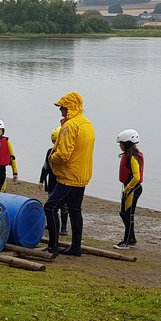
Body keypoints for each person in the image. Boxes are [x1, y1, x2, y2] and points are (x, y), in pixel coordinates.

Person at [44, 91, 95, 256]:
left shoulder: (70, 126)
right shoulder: (87, 124)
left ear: (69, 108)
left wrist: (52, 158)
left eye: (62, 107)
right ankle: (75, 247)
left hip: (69, 177)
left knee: (50, 208)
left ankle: (53, 246)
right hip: (82, 175)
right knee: (75, 210)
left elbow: (64, 154)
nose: (60, 111)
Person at [114, 129, 143, 250]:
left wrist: (128, 189)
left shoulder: (133, 158)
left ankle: (127, 241)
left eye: (121, 144)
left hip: (133, 188)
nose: (120, 146)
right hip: (128, 187)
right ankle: (132, 238)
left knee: (128, 214)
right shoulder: (128, 156)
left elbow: (137, 176)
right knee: (124, 213)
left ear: (126, 144)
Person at [38, 126, 69, 235]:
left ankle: (64, 228)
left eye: (57, 141)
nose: (56, 143)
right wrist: (41, 181)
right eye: (54, 141)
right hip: (51, 183)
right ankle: (51, 223)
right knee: (51, 204)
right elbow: (45, 167)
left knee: (64, 207)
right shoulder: (49, 152)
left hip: (64, 183)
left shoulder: (67, 153)